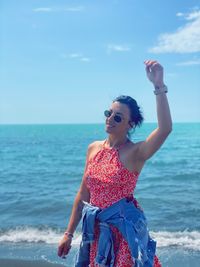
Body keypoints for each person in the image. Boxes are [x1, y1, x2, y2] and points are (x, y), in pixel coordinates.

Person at [58, 60, 172, 267]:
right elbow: (83, 194)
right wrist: (68, 233)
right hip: (96, 232)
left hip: (124, 235)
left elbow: (165, 129)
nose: (110, 119)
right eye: (108, 113)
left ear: (130, 124)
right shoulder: (93, 148)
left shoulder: (135, 152)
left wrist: (158, 86)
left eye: (117, 117)